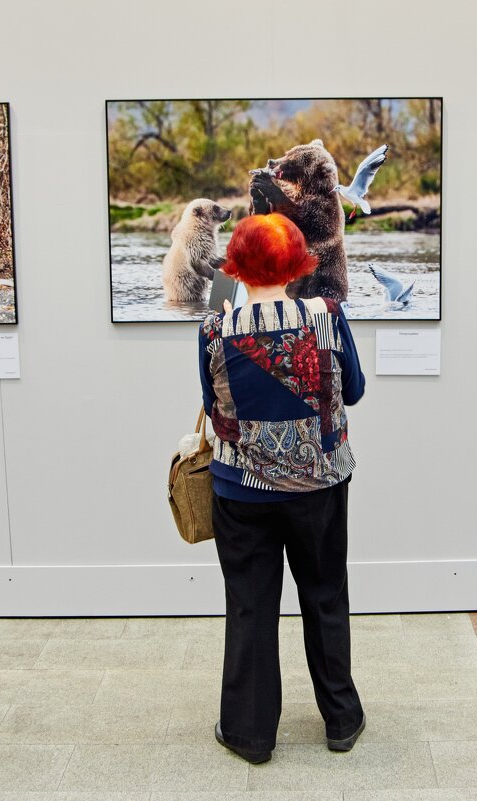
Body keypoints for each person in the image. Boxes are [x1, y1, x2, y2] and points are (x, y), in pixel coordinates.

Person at [198, 212, 366, 765]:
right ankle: (341, 720)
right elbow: (356, 392)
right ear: (297, 263)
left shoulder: (215, 329)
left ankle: (249, 734)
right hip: (319, 486)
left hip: (241, 492)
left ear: (236, 265)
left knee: (249, 606)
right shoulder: (326, 316)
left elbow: (212, 406)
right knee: (324, 596)